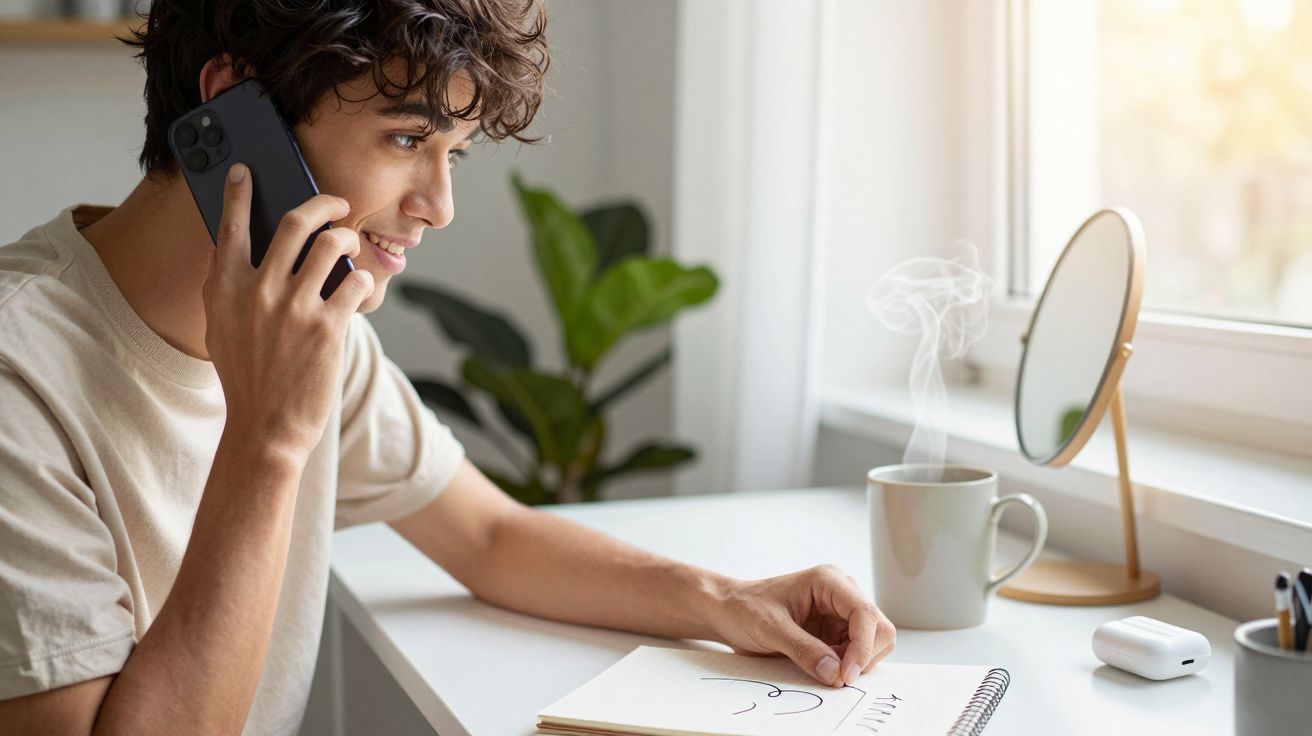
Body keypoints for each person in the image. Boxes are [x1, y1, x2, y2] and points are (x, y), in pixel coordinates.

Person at [0, 1, 895, 733]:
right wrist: (271, 441)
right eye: (405, 139)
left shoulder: (316, 335)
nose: (439, 205)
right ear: (234, 112)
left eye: (453, 154)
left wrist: (730, 600)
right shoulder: (19, 378)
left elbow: (490, 538)